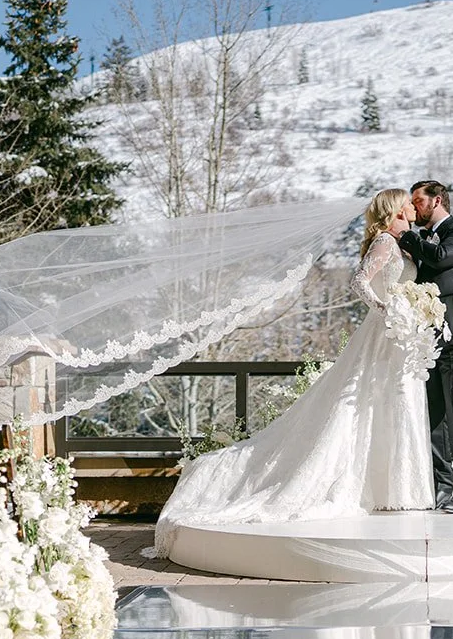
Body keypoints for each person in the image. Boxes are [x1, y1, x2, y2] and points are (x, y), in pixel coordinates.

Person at [154, 189, 436, 551]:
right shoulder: (384, 241)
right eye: (408, 204)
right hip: (383, 331)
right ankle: (381, 489)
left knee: (394, 402)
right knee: (368, 403)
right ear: (395, 210)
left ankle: (397, 489)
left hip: (402, 337)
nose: (414, 208)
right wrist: (385, 308)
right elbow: (359, 281)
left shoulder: (404, 243)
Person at [398, 181, 453, 514]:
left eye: (418, 201)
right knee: (434, 415)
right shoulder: (419, 244)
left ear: (436, 200)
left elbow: (443, 257)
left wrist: (406, 236)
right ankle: (442, 486)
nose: (414, 208)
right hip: (425, 336)